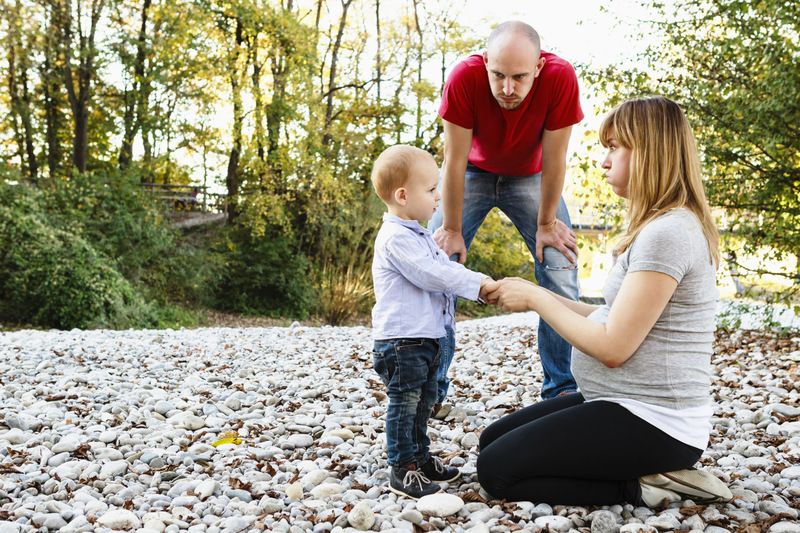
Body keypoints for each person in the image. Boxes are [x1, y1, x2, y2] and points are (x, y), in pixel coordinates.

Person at [476, 96, 732, 508]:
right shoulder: (658, 226)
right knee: (492, 440)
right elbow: (609, 316)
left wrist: (538, 298)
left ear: (649, 152)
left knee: (496, 471)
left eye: (614, 147)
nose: (603, 161)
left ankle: (646, 487)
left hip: (657, 421)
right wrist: (532, 292)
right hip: (619, 402)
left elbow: (613, 347)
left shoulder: (669, 234)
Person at [430, 20, 584, 405]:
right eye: (498, 75)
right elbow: (453, 161)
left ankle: (561, 389)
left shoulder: (560, 77)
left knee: (560, 266)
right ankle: (428, 389)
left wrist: (547, 223)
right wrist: (451, 229)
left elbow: (556, 159)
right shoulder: (464, 77)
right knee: (434, 264)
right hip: (471, 173)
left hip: (532, 177)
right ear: (485, 62)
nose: (508, 89)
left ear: (539, 67)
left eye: (519, 77)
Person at [370, 144, 493, 500]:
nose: (439, 196)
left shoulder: (420, 235)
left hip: (426, 338)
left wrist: (482, 285)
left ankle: (420, 458)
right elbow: (431, 275)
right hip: (403, 342)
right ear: (403, 196)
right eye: (431, 189)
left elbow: (445, 268)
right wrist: (477, 285)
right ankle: (402, 467)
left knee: (424, 402)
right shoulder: (396, 238)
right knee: (405, 404)